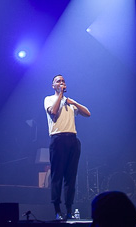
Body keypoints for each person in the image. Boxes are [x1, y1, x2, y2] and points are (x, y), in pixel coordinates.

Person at [44, 74, 91, 220]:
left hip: (72, 140)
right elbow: (53, 112)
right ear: (53, 85)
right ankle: (57, 210)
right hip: (58, 139)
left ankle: (69, 209)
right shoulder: (49, 99)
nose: (61, 82)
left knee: (71, 177)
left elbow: (87, 113)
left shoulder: (69, 103)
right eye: (58, 81)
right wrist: (60, 95)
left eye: (63, 81)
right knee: (57, 176)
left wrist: (72, 102)